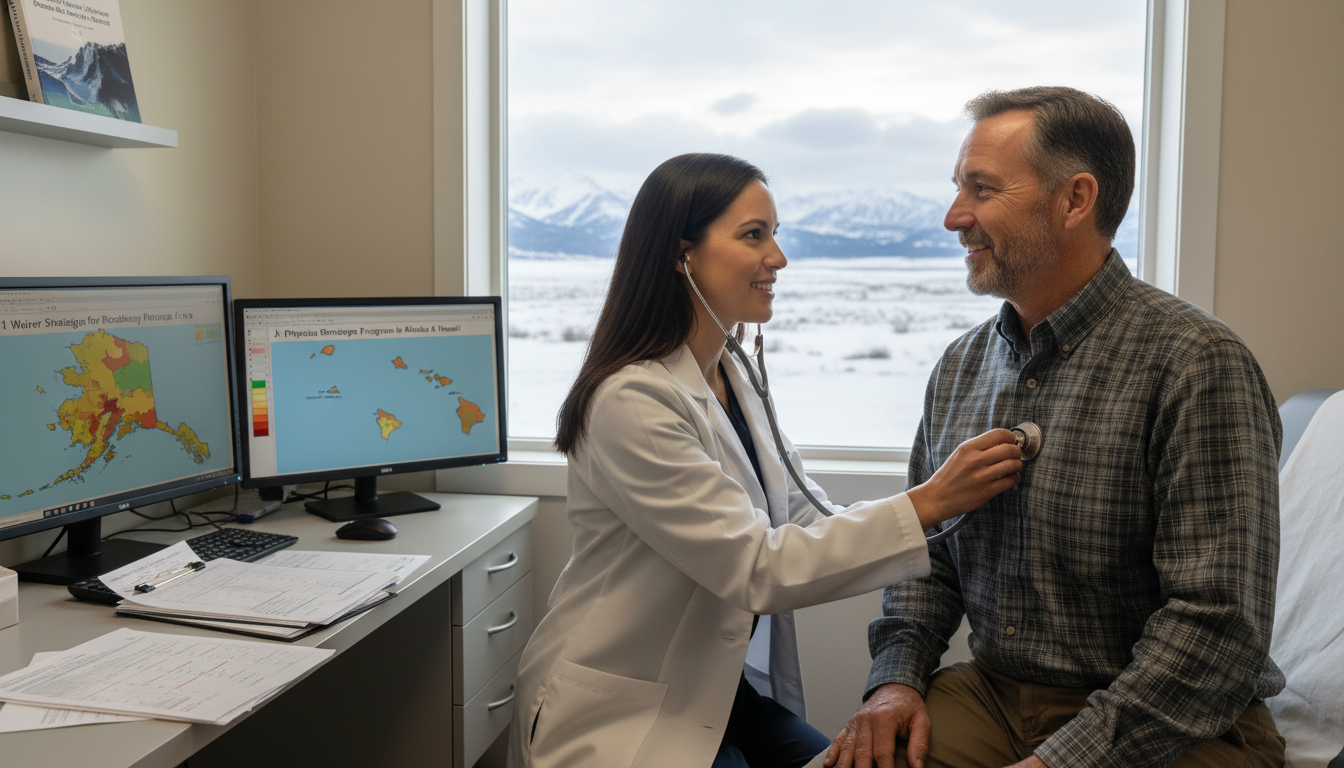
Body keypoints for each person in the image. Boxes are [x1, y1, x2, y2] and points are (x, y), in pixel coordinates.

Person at [506, 153, 1024, 768]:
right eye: (754, 236)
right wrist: (932, 500)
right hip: (624, 705)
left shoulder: (729, 371)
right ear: (682, 255)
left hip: (718, 693)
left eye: (774, 235)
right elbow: (756, 568)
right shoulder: (632, 400)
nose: (777, 258)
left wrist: (936, 516)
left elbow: (804, 514)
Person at [823, 87, 1286, 768]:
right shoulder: (961, 367)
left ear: (1075, 200)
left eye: (981, 189)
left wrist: (1059, 761)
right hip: (993, 698)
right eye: (958, 188)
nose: (955, 217)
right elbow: (927, 564)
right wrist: (894, 680)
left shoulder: (1195, 364)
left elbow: (1216, 627)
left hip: (1174, 721)